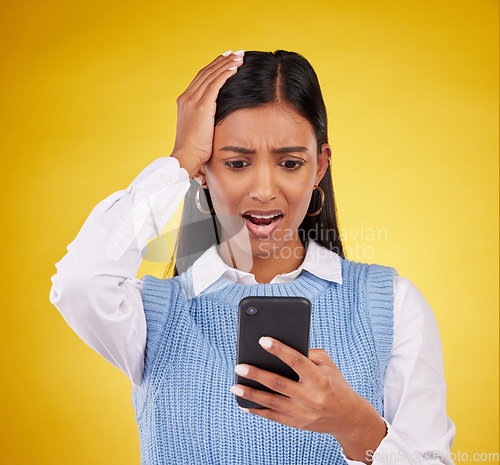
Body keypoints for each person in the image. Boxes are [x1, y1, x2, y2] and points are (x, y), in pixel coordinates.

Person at [49, 49, 456, 465]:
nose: (263, 189)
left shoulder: (391, 304)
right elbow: (80, 282)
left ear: (319, 167)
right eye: (237, 162)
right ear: (203, 171)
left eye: (291, 162)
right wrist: (179, 161)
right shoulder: (152, 316)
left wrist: (356, 427)